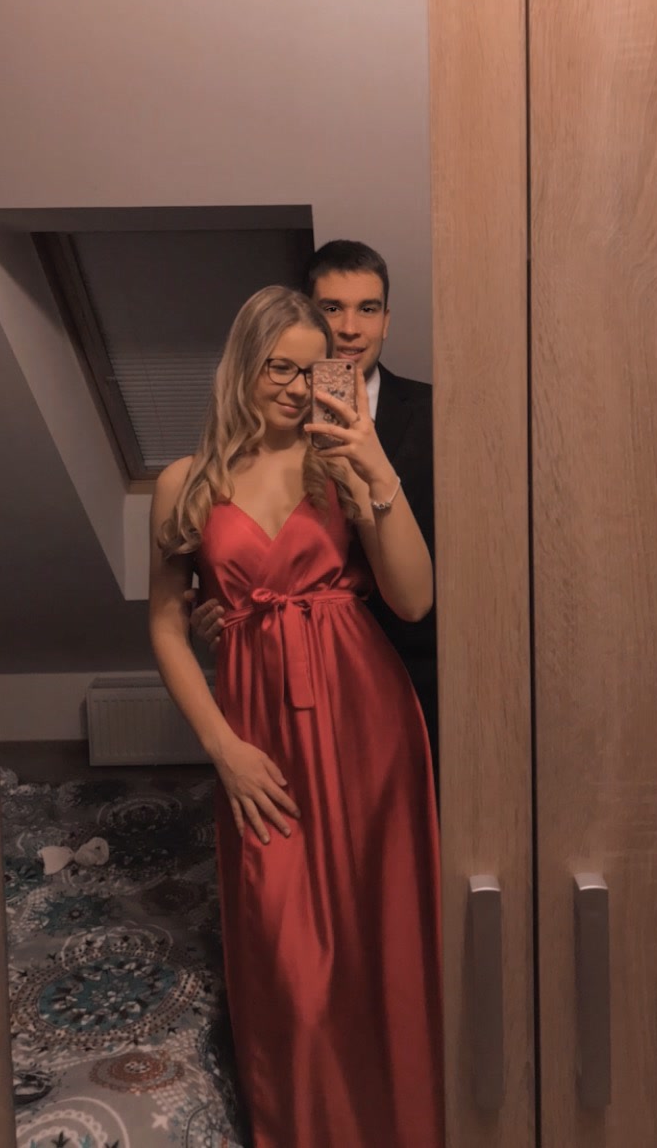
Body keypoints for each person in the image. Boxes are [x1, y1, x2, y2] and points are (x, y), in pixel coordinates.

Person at [149, 286, 444, 1148]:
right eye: (280, 367)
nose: (296, 386)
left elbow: (415, 600)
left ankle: (408, 1125)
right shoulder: (184, 483)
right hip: (259, 739)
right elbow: (166, 626)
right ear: (244, 364)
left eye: (315, 370)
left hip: (367, 724)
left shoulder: (340, 464)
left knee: (381, 943)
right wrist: (223, 750)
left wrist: (375, 466)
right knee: (288, 960)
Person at [189, 240, 439, 789]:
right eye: (331, 308)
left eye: (367, 309)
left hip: (417, 676)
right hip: (273, 679)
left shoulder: (439, 415)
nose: (349, 328)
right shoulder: (231, 458)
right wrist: (224, 604)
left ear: (387, 319)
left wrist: (376, 469)